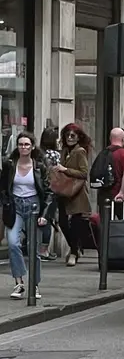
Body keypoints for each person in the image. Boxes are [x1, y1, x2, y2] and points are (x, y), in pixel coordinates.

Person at [0, 131, 54, 299]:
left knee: (33, 249)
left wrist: (44, 214)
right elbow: (3, 188)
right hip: (15, 206)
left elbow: (49, 192)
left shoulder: (39, 167)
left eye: (26, 144)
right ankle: (19, 283)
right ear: (17, 146)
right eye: (21, 144)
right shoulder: (10, 165)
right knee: (13, 243)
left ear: (32, 147)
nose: (23, 147)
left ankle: (34, 285)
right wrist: (5, 203)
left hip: (34, 207)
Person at [54, 123, 91, 267]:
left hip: (77, 192)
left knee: (75, 224)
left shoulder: (80, 151)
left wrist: (65, 169)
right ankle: (75, 248)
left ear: (78, 137)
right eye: (67, 135)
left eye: (72, 135)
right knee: (62, 222)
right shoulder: (64, 151)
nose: (69, 138)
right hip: (64, 191)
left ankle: (74, 253)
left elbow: (84, 173)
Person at [97, 128, 124, 220]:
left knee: (105, 224)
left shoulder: (103, 153)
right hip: (120, 196)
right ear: (123, 139)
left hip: (104, 195)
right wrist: (121, 192)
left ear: (110, 138)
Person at [38, 127, 60, 261]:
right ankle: (44, 250)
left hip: (38, 189)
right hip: (51, 189)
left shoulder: (38, 153)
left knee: (39, 218)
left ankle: (36, 247)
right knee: (47, 218)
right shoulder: (54, 154)